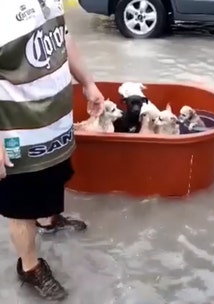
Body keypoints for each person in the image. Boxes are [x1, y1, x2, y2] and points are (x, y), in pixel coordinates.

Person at [0, 1, 105, 300]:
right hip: (16, 132)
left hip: (56, 121)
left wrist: (88, 82)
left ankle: (47, 219)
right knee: (20, 206)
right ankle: (30, 266)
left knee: (54, 177)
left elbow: (64, 37)